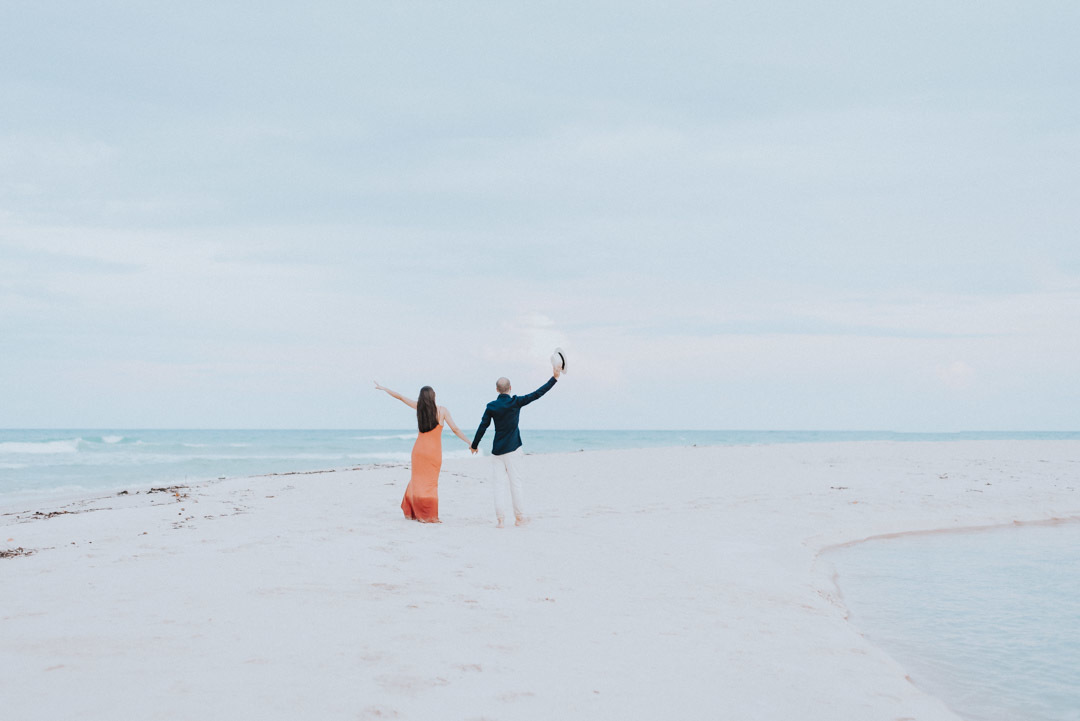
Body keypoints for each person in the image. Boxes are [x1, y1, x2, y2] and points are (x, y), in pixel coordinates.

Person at [470, 362, 561, 527]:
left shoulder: (491, 406)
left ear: (497, 390)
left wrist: (474, 445)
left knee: (498, 486)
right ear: (510, 388)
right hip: (513, 449)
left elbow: (483, 426)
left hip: (497, 452)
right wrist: (554, 378)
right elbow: (537, 394)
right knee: (515, 484)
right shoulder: (516, 402)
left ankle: (500, 520)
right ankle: (519, 518)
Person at [374, 382, 472, 523]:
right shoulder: (442, 410)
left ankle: (413, 513)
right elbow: (455, 429)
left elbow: (400, 397)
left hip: (418, 451)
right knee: (431, 483)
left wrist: (384, 388)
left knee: (417, 481)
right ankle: (428, 515)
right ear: (433, 396)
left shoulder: (419, 408)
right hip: (433, 452)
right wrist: (469, 442)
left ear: (421, 398)